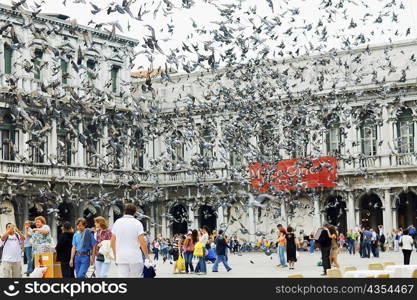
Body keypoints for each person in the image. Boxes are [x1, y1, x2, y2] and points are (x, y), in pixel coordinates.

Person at [111, 203, 150, 277]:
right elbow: (142, 243)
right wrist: (147, 256)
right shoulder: (137, 223)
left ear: (124, 211)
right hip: (135, 257)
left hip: (121, 256)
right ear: (135, 212)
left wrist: (115, 256)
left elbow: (112, 242)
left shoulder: (117, 222)